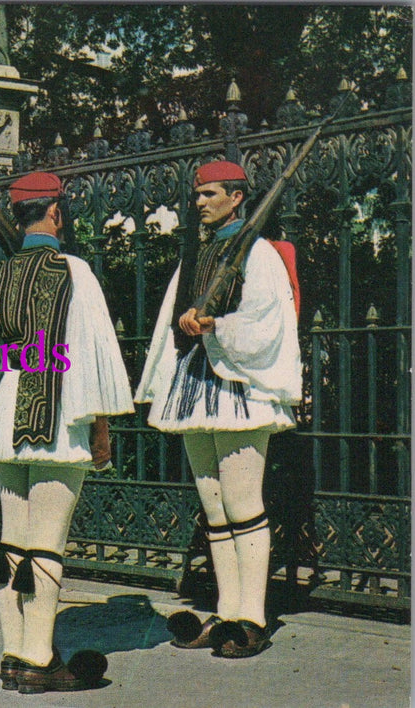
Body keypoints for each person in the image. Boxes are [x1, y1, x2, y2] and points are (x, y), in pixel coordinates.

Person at [0, 172, 133, 693]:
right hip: (56, 413)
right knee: (47, 541)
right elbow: (94, 352)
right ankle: (38, 658)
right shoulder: (72, 270)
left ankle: (13, 654)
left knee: (13, 540)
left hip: (6, 414)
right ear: (55, 212)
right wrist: (100, 424)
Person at [135, 160, 301, 658]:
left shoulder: (261, 253)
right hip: (194, 384)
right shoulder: (200, 253)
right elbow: (171, 315)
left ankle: (252, 616)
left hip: (237, 388)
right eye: (198, 194)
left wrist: (216, 326)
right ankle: (227, 610)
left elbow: (268, 320)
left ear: (236, 196)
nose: (200, 201)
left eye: (210, 193)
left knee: (244, 504)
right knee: (215, 509)